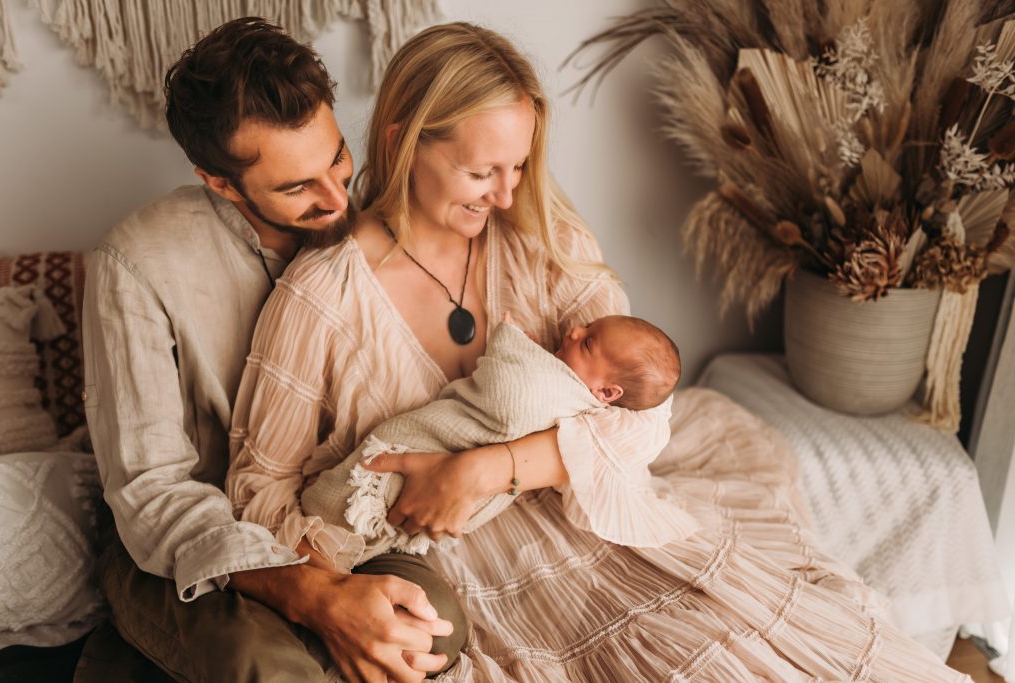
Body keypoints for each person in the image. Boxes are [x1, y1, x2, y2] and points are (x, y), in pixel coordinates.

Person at [226, 20, 968, 681]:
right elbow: (257, 491)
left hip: (586, 522)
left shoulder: (545, 239)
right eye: (482, 171)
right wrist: (336, 587)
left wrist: (485, 467)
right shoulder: (320, 298)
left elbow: (641, 419)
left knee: (722, 644)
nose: (505, 192)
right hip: (453, 564)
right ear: (403, 140)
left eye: (518, 166)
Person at [79, 17, 458, 683]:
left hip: (341, 519)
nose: (339, 197)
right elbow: (150, 488)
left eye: (337, 157)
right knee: (266, 666)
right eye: (296, 188)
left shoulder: (374, 215)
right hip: (196, 545)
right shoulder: (135, 261)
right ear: (219, 181)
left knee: (434, 628)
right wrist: (315, 596)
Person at [289, 313, 691, 566]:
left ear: (607, 395)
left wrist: (511, 342)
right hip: (424, 441)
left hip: (465, 510)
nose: (573, 329)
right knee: (350, 508)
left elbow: (509, 403)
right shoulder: (570, 390)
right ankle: (321, 549)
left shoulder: (584, 406)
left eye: (587, 342)